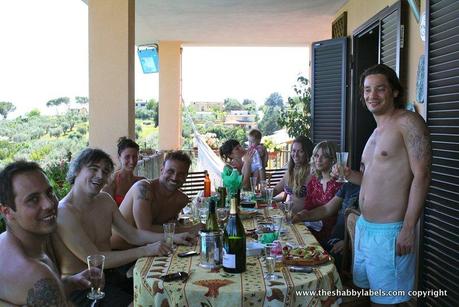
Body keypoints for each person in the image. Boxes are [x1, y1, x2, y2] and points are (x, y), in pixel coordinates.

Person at [52, 148, 193, 307]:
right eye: (93, 169)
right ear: (76, 170)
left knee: (163, 292)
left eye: (105, 172)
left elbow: (133, 235)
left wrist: (172, 237)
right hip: (83, 287)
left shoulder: (104, 200)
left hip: (110, 276)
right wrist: (146, 250)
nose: (100, 176)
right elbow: (94, 259)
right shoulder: (64, 212)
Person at [344, 64, 431, 305]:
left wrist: (408, 228)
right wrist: (349, 174)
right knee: (362, 293)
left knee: (388, 303)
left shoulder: (408, 122)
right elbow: (372, 181)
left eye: (380, 89)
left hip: (390, 232)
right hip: (365, 228)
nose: (372, 95)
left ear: (393, 91)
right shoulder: (376, 131)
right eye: (367, 90)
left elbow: (421, 176)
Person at [0, 161, 92, 306]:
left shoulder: (6, 242)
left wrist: (71, 282)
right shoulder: (34, 273)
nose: (49, 204)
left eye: (49, 193)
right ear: (7, 211)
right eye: (33, 199)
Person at [112, 150, 198, 249]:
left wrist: (178, 228)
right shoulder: (143, 188)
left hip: (148, 251)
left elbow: (170, 226)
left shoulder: (181, 200)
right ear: (162, 170)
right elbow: (145, 230)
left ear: (186, 176)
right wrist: (190, 229)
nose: (175, 177)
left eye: (181, 174)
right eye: (170, 171)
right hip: (119, 253)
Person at [292, 182, 360, 270]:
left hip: (349, 246)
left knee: (318, 264)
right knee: (300, 252)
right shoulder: (348, 186)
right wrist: (302, 216)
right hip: (333, 240)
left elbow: (375, 227)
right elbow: (326, 209)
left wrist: (349, 243)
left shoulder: (374, 191)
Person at [292, 140, 342, 242]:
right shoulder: (313, 182)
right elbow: (308, 208)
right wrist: (297, 215)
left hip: (333, 236)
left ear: (333, 160)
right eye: (316, 156)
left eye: (324, 156)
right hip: (312, 230)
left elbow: (343, 217)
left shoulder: (340, 184)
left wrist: (345, 240)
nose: (318, 160)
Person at [272, 135, 314, 214]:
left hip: (305, 220)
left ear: (307, 153)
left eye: (300, 151)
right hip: (288, 214)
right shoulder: (290, 171)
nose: (296, 154)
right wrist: (260, 194)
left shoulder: (312, 172)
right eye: (294, 151)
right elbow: (276, 190)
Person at [103, 137, 145, 206]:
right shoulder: (112, 182)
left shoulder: (141, 181)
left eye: (134, 157)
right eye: (127, 157)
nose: (131, 161)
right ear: (119, 157)